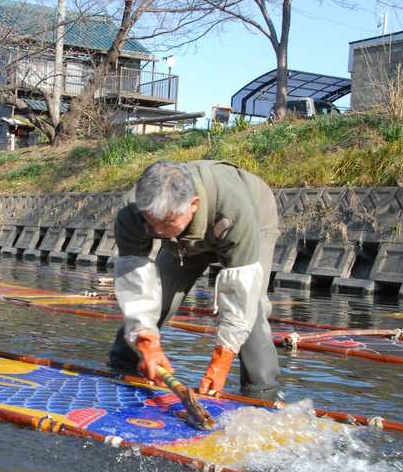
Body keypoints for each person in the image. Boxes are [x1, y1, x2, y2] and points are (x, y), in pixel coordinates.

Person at [108, 160, 280, 397]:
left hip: (251, 218)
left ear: (194, 205)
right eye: (151, 222)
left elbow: (242, 294)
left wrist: (221, 361)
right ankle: (124, 362)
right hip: (182, 242)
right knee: (160, 297)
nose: (157, 232)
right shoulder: (133, 211)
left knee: (254, 310)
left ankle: (262, 390)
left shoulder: (234, 208)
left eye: (166, 222)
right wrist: (146, 342)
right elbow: (135, 283)